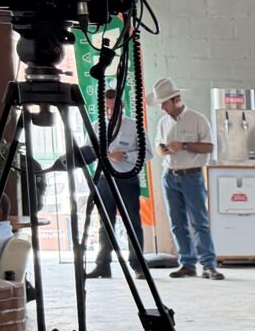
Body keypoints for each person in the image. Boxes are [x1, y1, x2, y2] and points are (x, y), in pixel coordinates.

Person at [153, 77, 222, 280]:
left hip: (192, 175)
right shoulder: (163, 123)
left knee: (199, 221)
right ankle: (187, 263)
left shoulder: (198, 119)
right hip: (169, 175)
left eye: (164, 103)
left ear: (176, 99)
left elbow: (209, 147)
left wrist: (183, 145)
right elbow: (157, 145)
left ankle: (208, 265)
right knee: (177, 223)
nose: (162, 108)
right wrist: (162, 150)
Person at [88, 85, 147, 279]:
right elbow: (89, 150)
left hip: (127, 179)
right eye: (106, 108)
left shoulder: (134, 126)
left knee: (132, 223)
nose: (109, 112)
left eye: (113, 108)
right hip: (104, 180)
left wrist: (126, 155)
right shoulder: (97, 126)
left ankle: (138, 265)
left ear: (122, 107)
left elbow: (148, 153)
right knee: (105, 224)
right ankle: (103, 265)